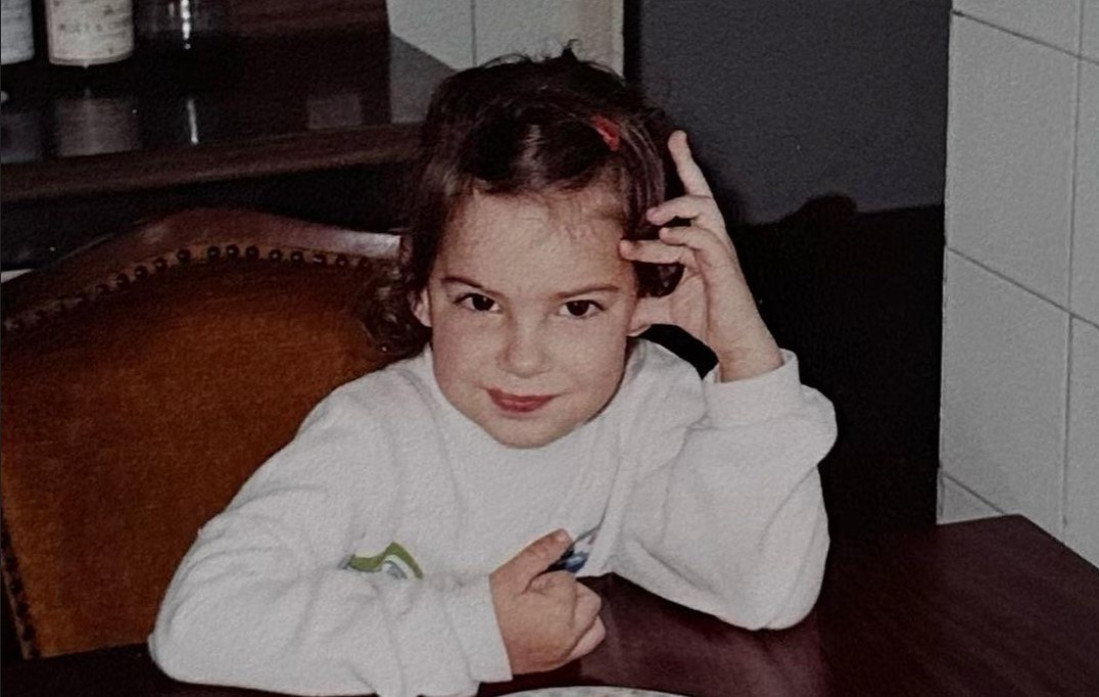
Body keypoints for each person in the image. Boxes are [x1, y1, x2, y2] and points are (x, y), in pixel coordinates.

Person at [149, 48, 836, 697]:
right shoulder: (371, 435)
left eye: (577, 307)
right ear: (420, 286)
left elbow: (762, 593)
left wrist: (748, 364)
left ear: (643, 296)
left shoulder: (645, 402)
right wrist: (475, 632)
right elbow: (196, 622)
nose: (523, 357)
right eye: (480, 302)